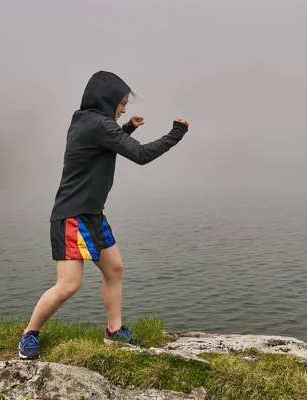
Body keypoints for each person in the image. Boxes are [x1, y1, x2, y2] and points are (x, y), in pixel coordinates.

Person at [18, 70, 189, 359]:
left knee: (114, 269)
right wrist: (177, 132)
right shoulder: (98, 125)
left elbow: (101, 146)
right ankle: (30, 334)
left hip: (92, 213)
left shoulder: (86, 121)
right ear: (107, 99)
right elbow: (141, 155)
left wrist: (126, 129)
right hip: (74, 215)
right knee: (68, 285)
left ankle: (113, 331)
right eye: (121, 103)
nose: (123, 108)